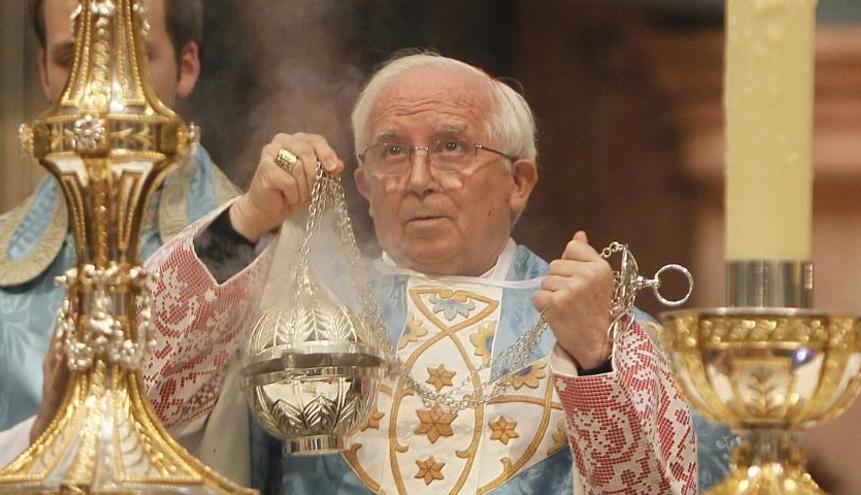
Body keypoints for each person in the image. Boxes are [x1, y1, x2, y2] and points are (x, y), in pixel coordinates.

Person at [140, 52, 704, 493]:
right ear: (362, 184)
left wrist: (594, 362)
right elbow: (144, 396)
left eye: (451, 146)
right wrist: (249, 218)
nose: (419, 178)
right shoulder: (301, 308)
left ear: (519, 181)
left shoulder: (594, 323)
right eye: (391, 151)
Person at [0, 0, 238, 449]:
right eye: (72, 60)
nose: (104, 89)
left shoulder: (268, 255)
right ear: (45, 75)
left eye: (131, 57)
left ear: (186, 67)